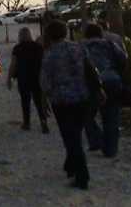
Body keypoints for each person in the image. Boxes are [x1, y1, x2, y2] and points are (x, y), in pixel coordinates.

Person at [40, 20, 103, 190]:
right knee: (75, 133)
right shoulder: (78, 48)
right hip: (82, 97)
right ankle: (71, 167)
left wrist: (44, 99)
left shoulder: (49, 54)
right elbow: (90, 70)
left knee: (71, 137)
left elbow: (45, 81)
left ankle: (81, 175)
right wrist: (97, 89)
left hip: (61, 101)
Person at [82, 23, 127, 157]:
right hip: (112, 81)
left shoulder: (80, 47)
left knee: (86, 114)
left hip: (89, 84)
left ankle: (96, 139)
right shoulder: (110, 44)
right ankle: (110, 149)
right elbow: (123, 59)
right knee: (111, 116)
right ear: (101, 33)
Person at [7, 27, 49, 133]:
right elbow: (44, 62)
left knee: (25, 101)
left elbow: (13, 64)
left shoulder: (17, 48)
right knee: (39, 101)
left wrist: (9, 78)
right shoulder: (38, 47)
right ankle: (43, 121)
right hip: (37, 77)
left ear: (20, 36)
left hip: (23, 78)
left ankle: (27, 123)